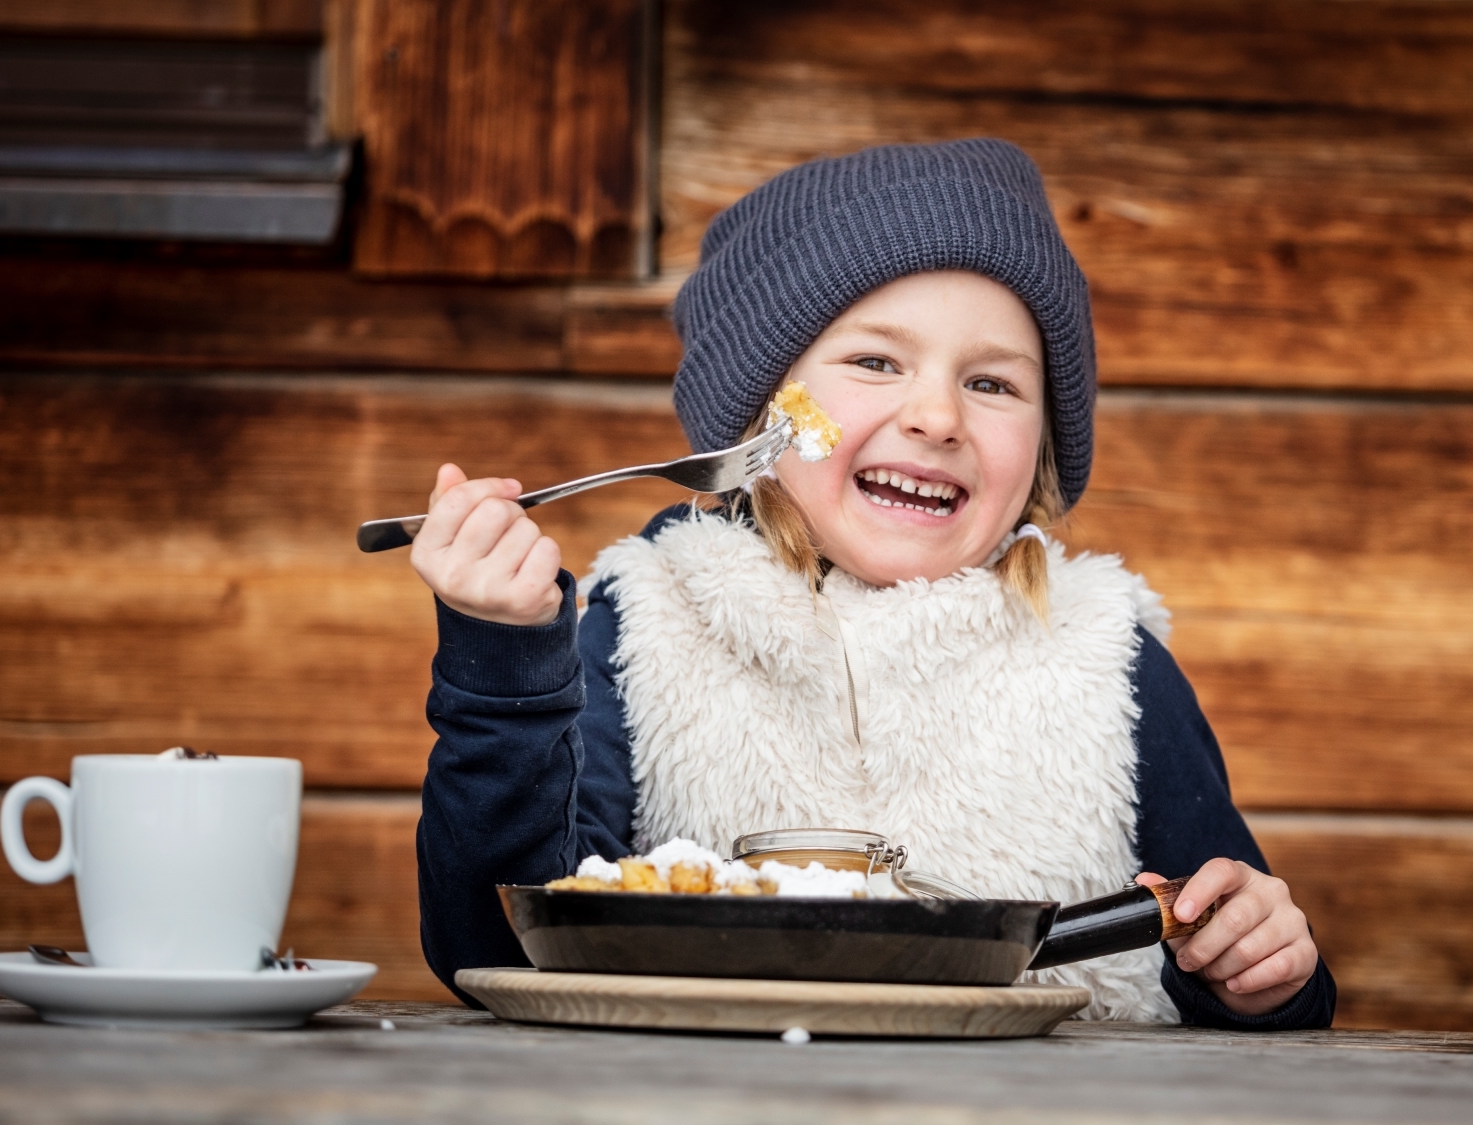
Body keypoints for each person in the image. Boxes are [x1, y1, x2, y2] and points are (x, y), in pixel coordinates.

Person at [410, 139, 1336, 1028]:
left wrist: (1261, 974)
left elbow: (1232, 939)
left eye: (994, 384)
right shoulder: (651, 624)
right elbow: (496, 948)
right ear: (756, 419)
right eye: (875, 362)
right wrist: (502, 663)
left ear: (1042, 445)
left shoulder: (1108, 656)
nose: (936, 415)